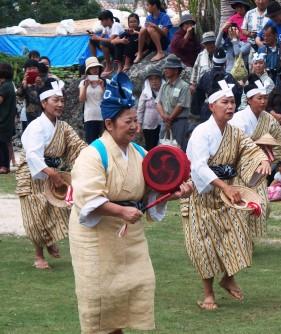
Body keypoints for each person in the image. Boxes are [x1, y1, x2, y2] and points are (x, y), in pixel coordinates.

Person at [69, 72, 192, 333]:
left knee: (137, 287)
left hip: (130, 238)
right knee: (100, 302)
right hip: (96, 239)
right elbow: (88, 199)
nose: (135, 126)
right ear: (109, 124)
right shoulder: (92, 155)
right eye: (129, 121)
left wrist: (176, 191)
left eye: (137, 120)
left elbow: (152, 191)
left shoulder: (141, 154)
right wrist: (120, 210)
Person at [184, 75, 271, 310]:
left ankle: (228, 276)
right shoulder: (202, 132)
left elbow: (250, 149)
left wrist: (262, 160)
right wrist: (224, 186)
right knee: (205, 247)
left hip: (228, 197)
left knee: (238, 237)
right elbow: (198, 167)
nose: (230, 106)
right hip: (204, 197)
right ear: (212, 106)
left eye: (232, 102)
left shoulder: (234, 132)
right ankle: (208, 294)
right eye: (225, 102)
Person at [16, 78, 86, 270]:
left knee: (58, 208)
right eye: (56, 100)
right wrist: (50, 173)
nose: (60, 104)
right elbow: (32, 155)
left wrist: (95, 156)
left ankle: (49, 239)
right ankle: (39, 255)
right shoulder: (36, 127)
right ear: (44, 102)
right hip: (32, 174)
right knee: (36, 214)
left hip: (53, 173)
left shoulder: (63, 127)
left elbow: (77, 146)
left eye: (62, 100)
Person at [230, 75, 281, 236]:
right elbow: (235, 143)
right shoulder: (239, 119)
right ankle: (241, 237)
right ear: (249, 100)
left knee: (263, 205)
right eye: (259, 98)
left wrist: (271, 155)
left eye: (265, 98)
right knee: (242, 204)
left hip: (259, 169)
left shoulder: (268, 118)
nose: (263, 101)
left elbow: (279, 137)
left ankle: (249, 237)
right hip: (240, 168)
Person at [192, 47, 242, 122]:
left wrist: (197, 112)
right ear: (225, 62)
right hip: (225, 113)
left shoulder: (206, 76)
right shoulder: (229, 77)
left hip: (208, 111)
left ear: (213, 61)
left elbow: (198, 96)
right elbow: (236, 96)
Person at [156, 54, 191, 151]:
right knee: (162, 147)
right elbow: (158, 103)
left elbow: (181, 105)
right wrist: (164, 116)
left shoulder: (184, 86)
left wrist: (170, 118)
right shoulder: (164, 86)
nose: (165, 70)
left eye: (168, 68)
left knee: (178, 148)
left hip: (179, 122)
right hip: (165, 121)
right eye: (165, 68)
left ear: (176, 70)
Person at [89, 10, 124, 77]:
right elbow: (101, 37)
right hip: (113, 46)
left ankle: (109, 65)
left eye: (102, 21)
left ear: (108, 20)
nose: (101, 23)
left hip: (119, 47)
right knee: (92, 40)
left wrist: (98, 38)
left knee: (103, 43)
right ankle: (94, 62)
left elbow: (112, 40)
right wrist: (94, 37)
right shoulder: (106, 27)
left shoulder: (116, 25)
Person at [79, 57, 105, 144]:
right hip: (89, 117)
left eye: (97, 67)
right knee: (91, 144)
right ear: (88, 70)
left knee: (105, 143)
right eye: (92, 68)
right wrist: (86, 86)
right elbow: (81, 99)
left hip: (102, 116)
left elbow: (107, 99)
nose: (95, 69)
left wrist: (102, 86)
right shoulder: (83, 83)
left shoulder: (104, 81)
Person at [137, 67, 163, 150]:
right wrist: (139, 124)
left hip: (162, 124)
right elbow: (140, 110)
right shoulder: (145, 93)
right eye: (151, 79)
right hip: (148, 125)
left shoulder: (166, 91)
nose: (154, 81)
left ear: (160, 80)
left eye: (156, 79)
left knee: (161, 146)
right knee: (150, 147)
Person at [16, 59, 44, 126]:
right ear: (25, 71)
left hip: (44, 113)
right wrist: (23, 86)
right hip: (30, 114)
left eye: (34, 68)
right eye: (29, 69)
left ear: (38, 70)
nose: (31, 70)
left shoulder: (43, 81)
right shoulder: (24, 83)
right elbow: (19, 98)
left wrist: (40, 85)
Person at [0, 63, 16, 174]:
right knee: (4, 143)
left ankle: (4, 166)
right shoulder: (10, 84)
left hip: (3, 120)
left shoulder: (5, 86)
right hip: (7, 119)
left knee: (2, 144)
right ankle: (5, 165)